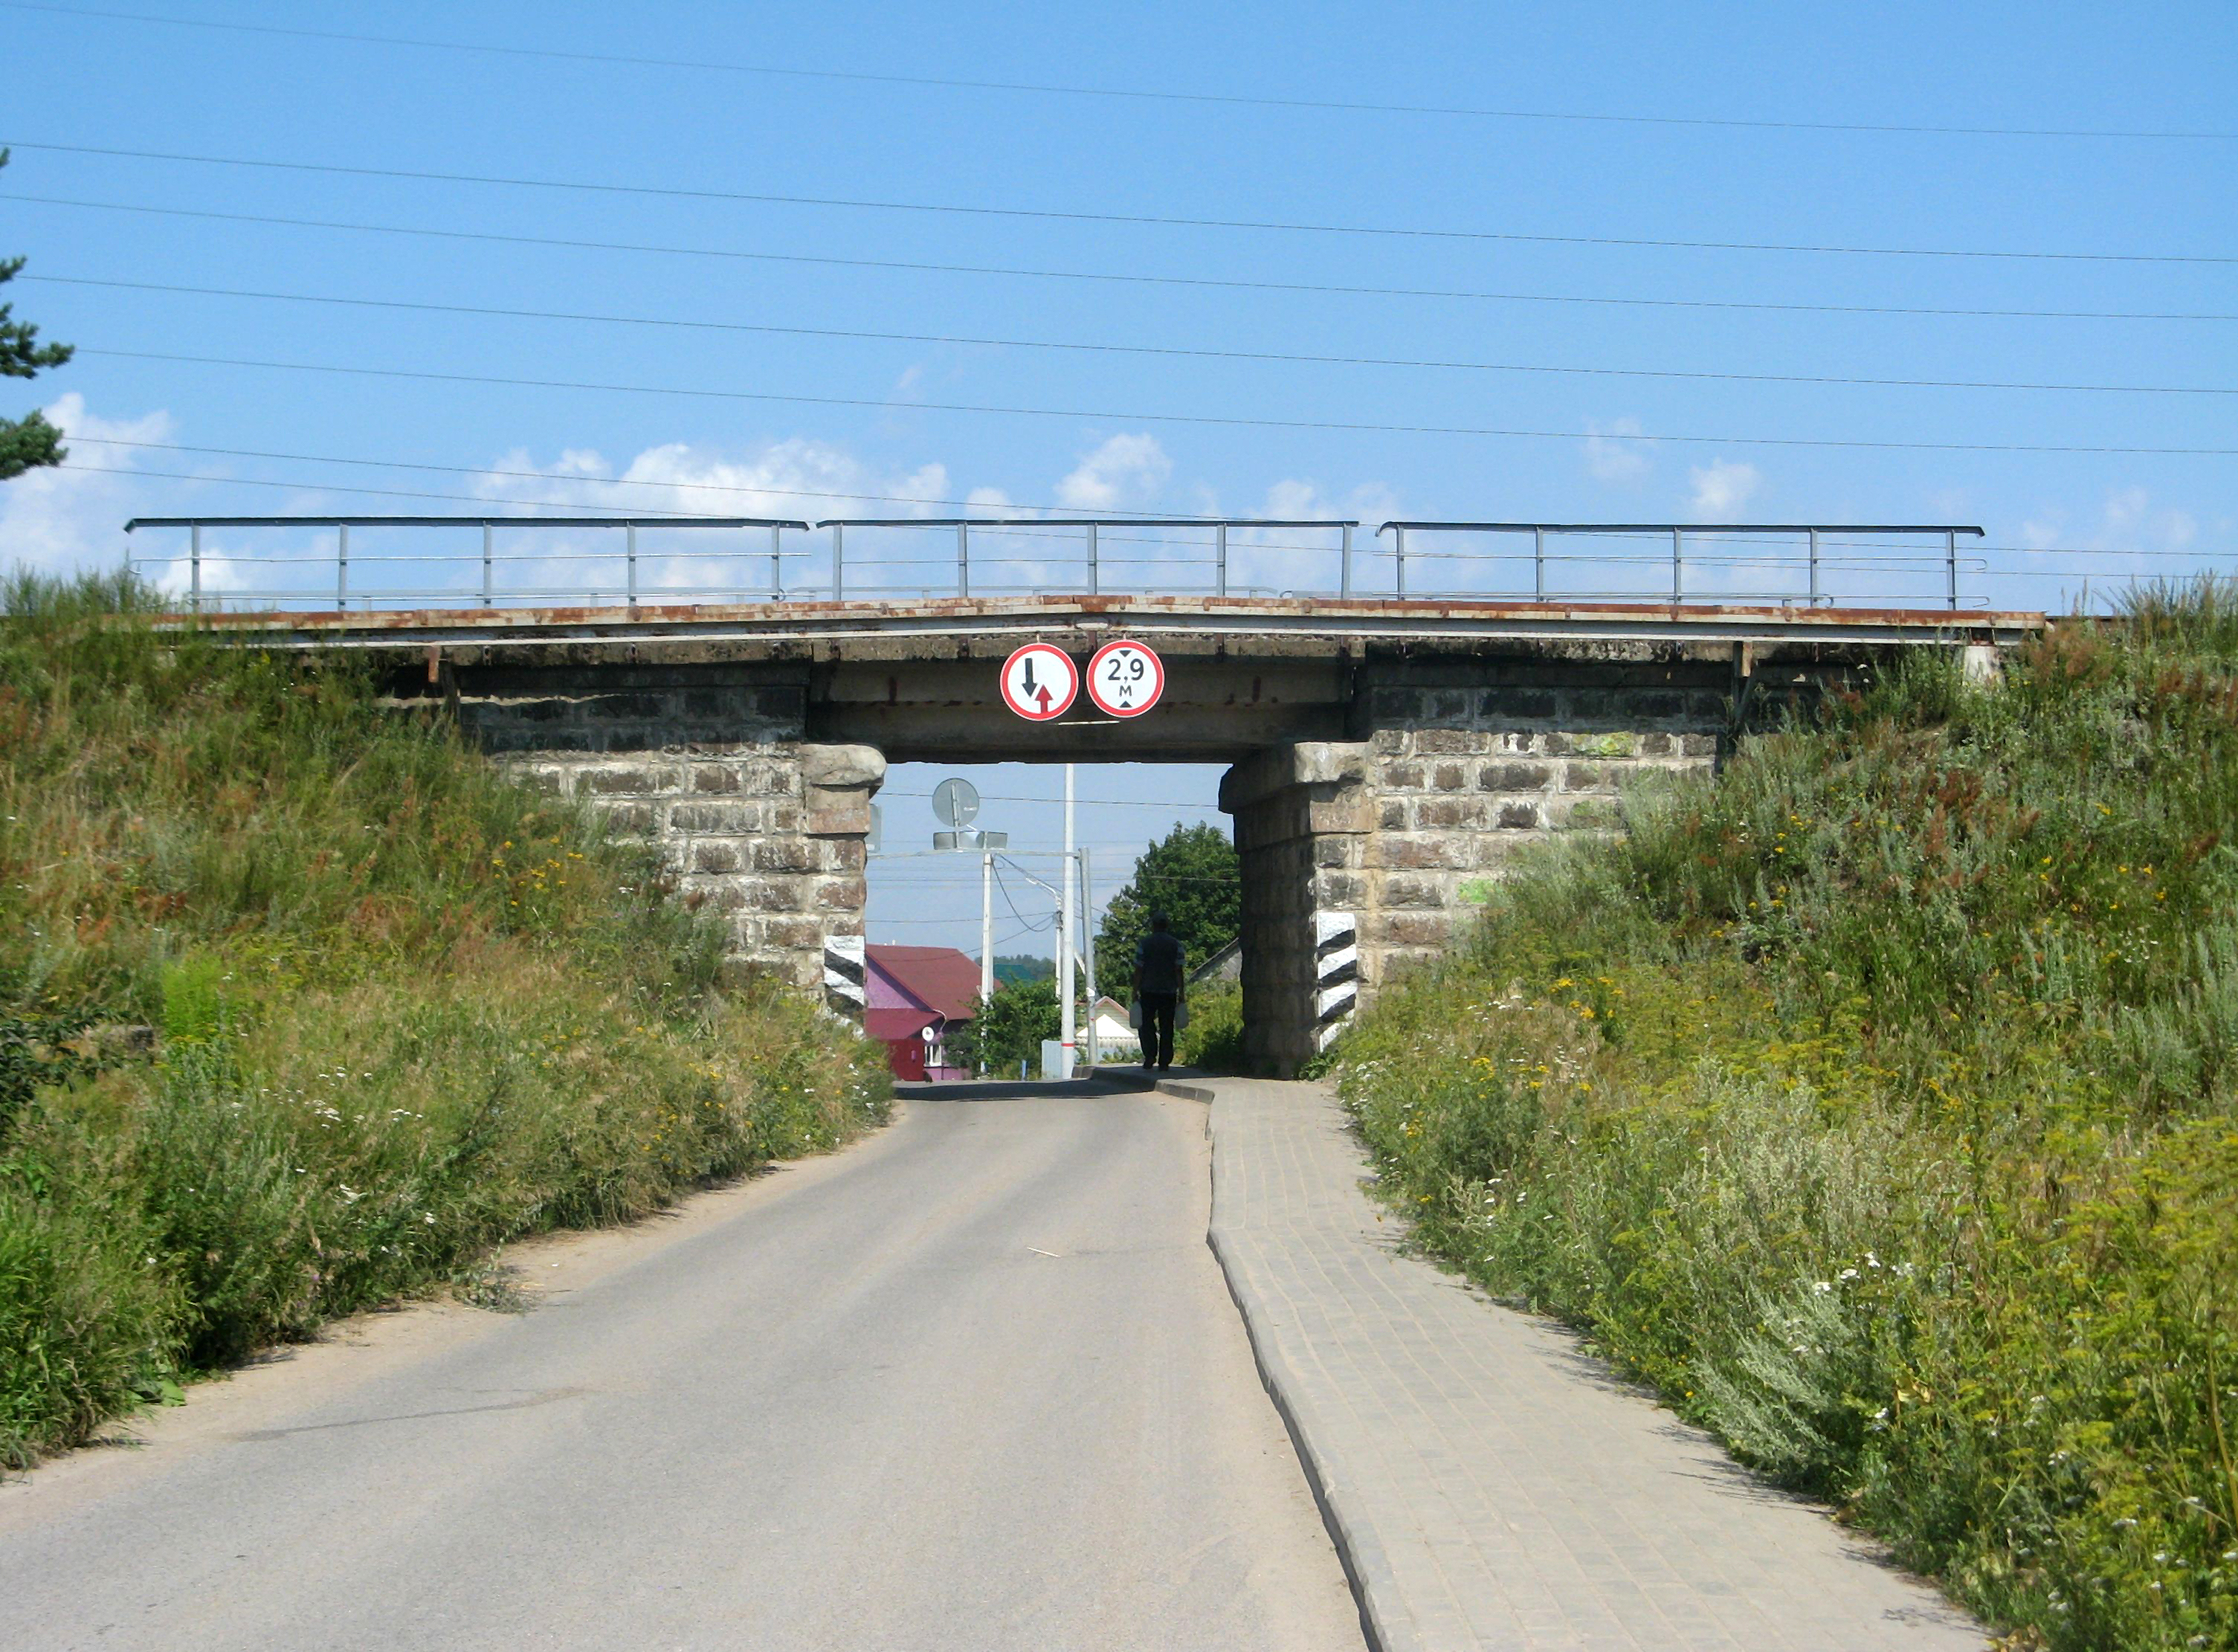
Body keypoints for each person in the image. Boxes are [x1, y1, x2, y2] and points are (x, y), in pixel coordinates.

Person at [1133, 911, 1186, 1071]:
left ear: (1153, 926)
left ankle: (1150, 1056)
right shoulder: (1176, 944)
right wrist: (1182, 991)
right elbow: (1179, 969)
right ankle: (1164, 1061)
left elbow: (1139, 969)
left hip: (1148, 990)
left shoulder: (1145, 944)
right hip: (1169, 991)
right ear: (1167, 926)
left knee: (1146, 1025)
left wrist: (1134, 990)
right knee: (1167, 1026)